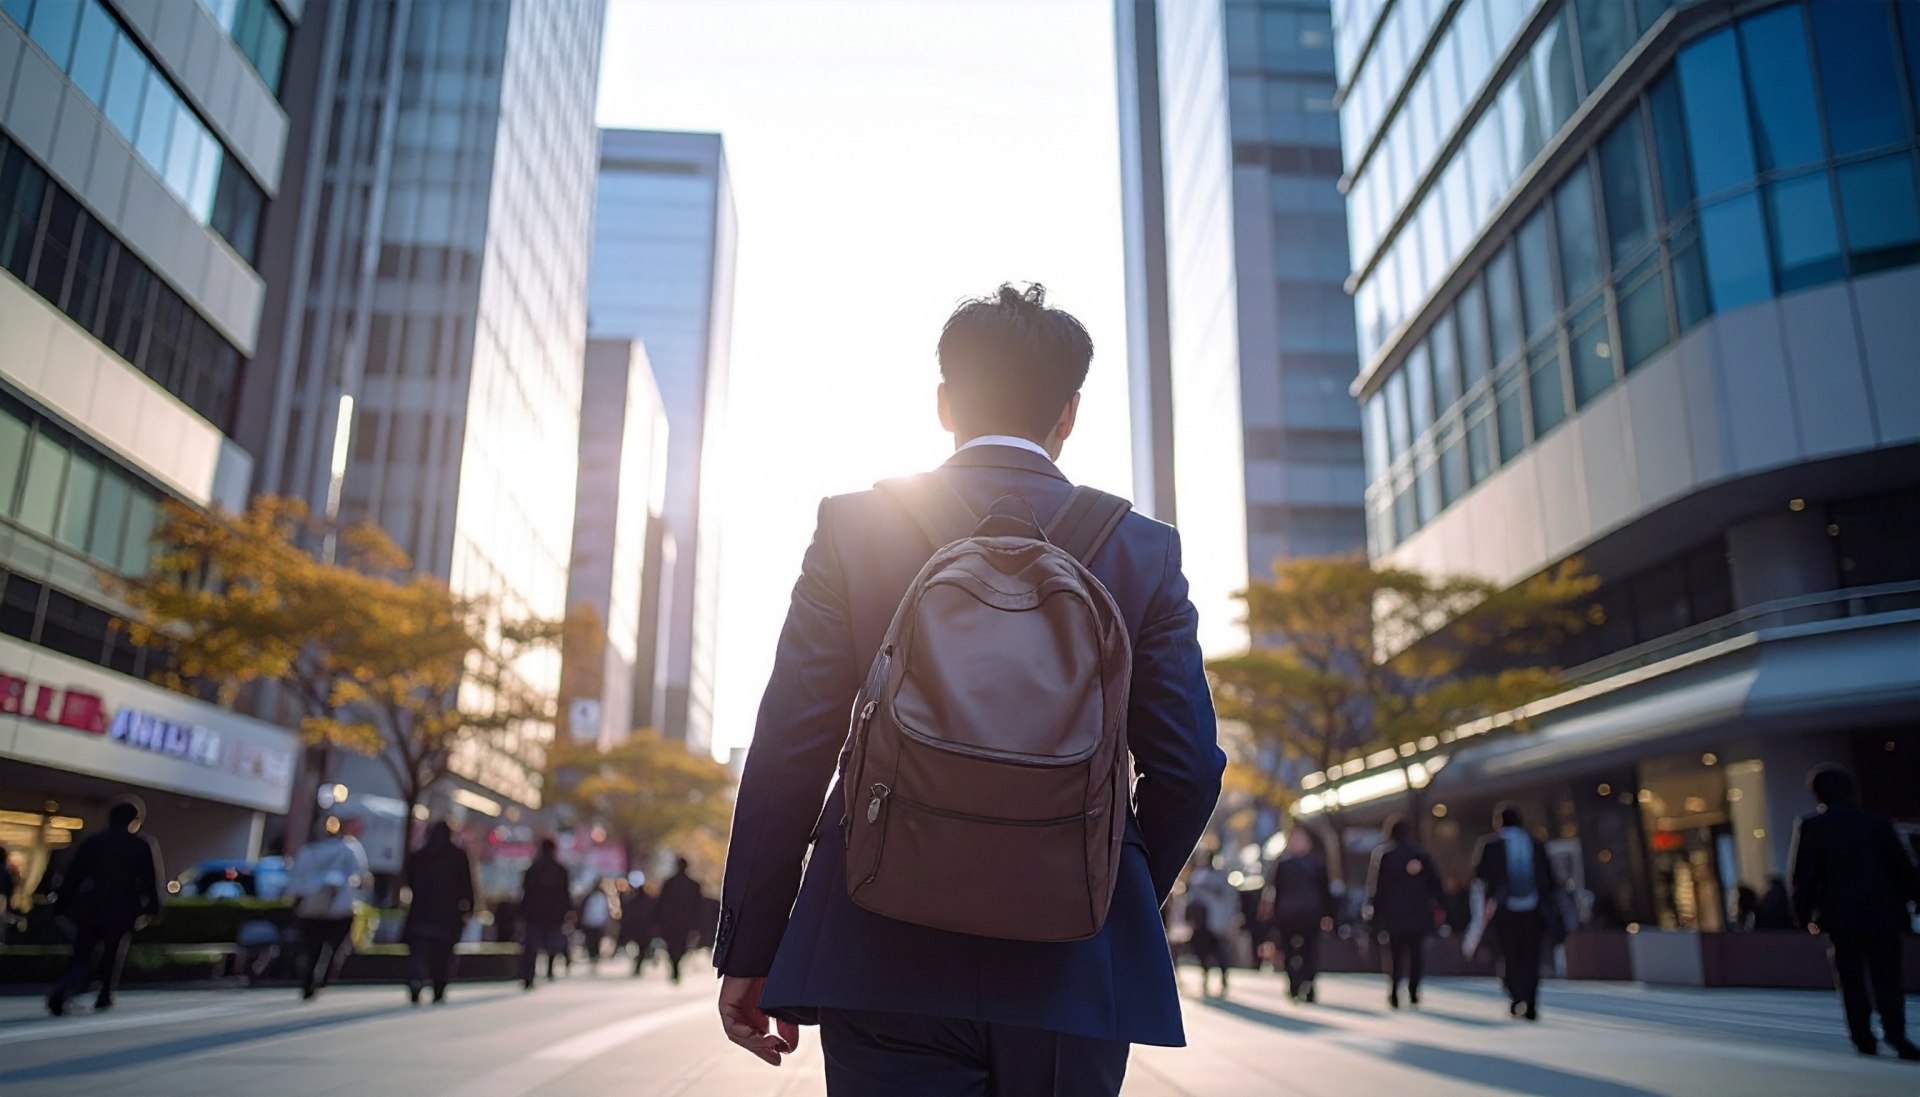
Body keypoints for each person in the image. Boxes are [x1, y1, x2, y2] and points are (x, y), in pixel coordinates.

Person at [712, 284, 1224, 1095]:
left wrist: (750, 946)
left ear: (945, 403)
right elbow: (1190, 766)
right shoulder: (1142, 551)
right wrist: (1094, 881)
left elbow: (790, 747)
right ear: (1069, 414)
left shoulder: (855, 527)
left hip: (879, 946)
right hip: (1067, 969)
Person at [1789, 764, 1920, 1059]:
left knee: (1851, 979)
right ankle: (1896, 1034)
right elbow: (1901, 866)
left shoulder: (1812, 826)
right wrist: (1914, 896)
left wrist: (1802, 915)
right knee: (1887, 976)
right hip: (1883, 913)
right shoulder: (1875, 822)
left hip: (1840, 918)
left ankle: (1863, 1037)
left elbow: (1804, 877)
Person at [46, 798, 164, 1015]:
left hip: (89, 905)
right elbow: (150, 880)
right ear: (134, 820)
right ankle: (105, 993)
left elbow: (73, 876)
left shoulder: (93, 842)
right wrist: (153, 909)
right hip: (122, 907)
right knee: (113, 952)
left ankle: (64, 989)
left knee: (82, 952)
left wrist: (61, 905)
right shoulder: (141, 845)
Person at [1472, 802, 1555, 1021]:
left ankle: (1517, 996)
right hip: (1533, 908)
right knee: (1531, 956)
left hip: (1504, 908)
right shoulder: (1535, 843)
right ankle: (1531, 1001)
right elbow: (1549, 878)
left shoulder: (1490, 845)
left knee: (1508, 954)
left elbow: (1479, 874)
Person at [287, 813, 369, 1000]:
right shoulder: (350, 849)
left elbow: (295, 882)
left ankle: (309, 977)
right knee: (334, 946)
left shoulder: (307, 852)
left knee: (311, 947)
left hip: (311, 908)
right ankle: (322, 977)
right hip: (340, 907)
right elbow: (360, 877)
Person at [1367, 814, 1444, 1009]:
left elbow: (1377, 888)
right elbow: (1435, 884)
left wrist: (1375, 915)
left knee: (1394, 955)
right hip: (1418, 914)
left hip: (1393, 916)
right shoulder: (1420, 855)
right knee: (1416, 954)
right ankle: (1414, 990)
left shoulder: (1384, 855)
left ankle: (1394, 990)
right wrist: (1441, 906)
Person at [402, 820, 475, 1004]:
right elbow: (467, 885)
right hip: (448, 916)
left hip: (421, 913)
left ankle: (416, 979)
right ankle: (438, 986)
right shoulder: (458, 856)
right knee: (442, 954)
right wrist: (469, 907)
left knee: (420, 951)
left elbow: (410, 881)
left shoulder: (420, 855)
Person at [1264, 827, 1334, 1003]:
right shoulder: (1283, 865)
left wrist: (1328, 914)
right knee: (1289, 950)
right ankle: (1294, 983)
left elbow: (1325, 891)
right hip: (1287, 914)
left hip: (1310, 913)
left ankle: (1308, 984)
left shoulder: (1316, 864)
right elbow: (1276, 891)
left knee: (1310, 950)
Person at [518, 838, 572, 988]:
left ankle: (528, 975)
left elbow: (525, 892)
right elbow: (565, 894)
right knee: (552, 942)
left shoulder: (533, 869)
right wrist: (567, 911)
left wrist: (522, 912)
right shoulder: (560, 870)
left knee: (531, 946)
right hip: (554, 915)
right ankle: (549, 969)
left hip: (534, 914)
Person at [1184, 855, 1238, 997]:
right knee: (1203, 951)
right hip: (1201, 923)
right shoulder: (1196, 877)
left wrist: (1231, 920)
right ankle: (1206, 978)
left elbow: (1230, 899)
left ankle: (1223, 978)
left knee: (1220, 952)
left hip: (1217, 921)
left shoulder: (1220, 878)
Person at [655, 856, 706, 984]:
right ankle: (676, 966)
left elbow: (660, 903)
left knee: (672, 946)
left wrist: (657, 920)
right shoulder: (692, 885)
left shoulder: (669, 883)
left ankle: (675, 966)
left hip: (671, 921)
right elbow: (699, 906)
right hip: (684, 922)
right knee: (682, 946)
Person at [619, 876, 657, 975]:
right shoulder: (650, 901)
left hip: (636, 929)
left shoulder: (632, 901)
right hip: (646, 929)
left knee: (638, 948)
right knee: (643, 948)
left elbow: (627, 915)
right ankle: (639, 963)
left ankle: (638, 964)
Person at [579, 880, 612, 968]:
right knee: (592, 940)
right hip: (592, 922)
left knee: (594, 940)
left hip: (595, 922)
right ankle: (593, 955)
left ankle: (594, 955)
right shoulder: (599, 897)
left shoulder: (597, 897)